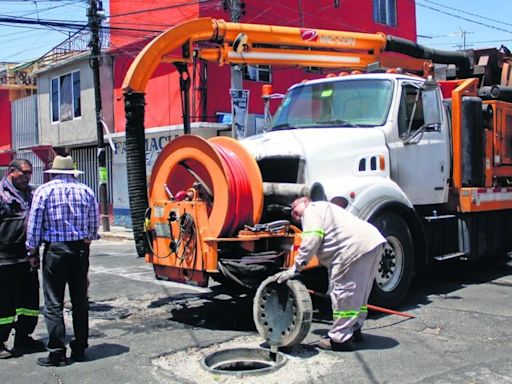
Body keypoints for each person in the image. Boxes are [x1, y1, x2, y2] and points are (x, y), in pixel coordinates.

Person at [275, 196, 386, 351]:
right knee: (359, 293)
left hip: (352, 248)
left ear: (306, 202)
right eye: (291, 211)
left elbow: (312, 239)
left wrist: (296, 267)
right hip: (372, 242)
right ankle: (354, 329)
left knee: (343, 293)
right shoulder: (326, 210)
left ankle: (340, 339)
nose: (293, 212)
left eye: (295, 207)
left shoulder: (312, 210)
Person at [26, 155, 99, 367]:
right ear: (73, 172)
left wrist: (32, 251)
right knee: (80, 300)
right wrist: (88, 236)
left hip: (55, 251)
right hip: (79, 251)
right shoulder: (86, 191)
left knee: (53, 303)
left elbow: (35, 224)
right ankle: (80, 348)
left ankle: (57, 352)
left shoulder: (44, 191)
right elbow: (94, 224)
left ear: (54, 171)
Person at [0, 159, 44, 359]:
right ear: (11, 171)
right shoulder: (1, 194)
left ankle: (24, 337)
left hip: (27, 257)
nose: (27, 177)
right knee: (4, 303)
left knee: (29, 301)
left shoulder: (32, 193)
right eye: (24, 173)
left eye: (30, 173)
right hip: (5, 258)